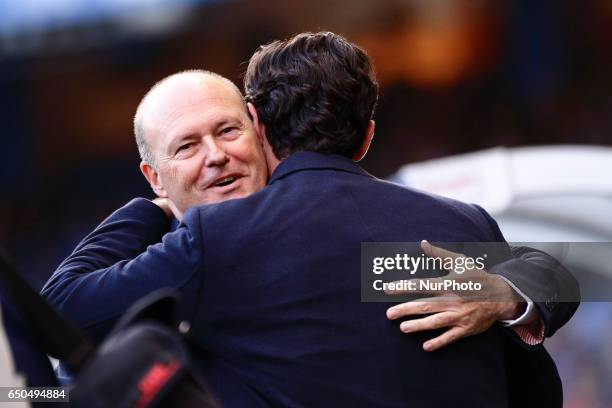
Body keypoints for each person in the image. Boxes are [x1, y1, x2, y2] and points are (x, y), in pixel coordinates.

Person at [42, 33, 578, 406]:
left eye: (227, 132)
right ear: (367, 137)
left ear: (259, 130)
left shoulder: (223, 240)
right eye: (187, 146)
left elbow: (59, 311)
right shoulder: (442, 233)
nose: (215, 157)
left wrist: (150, 213)